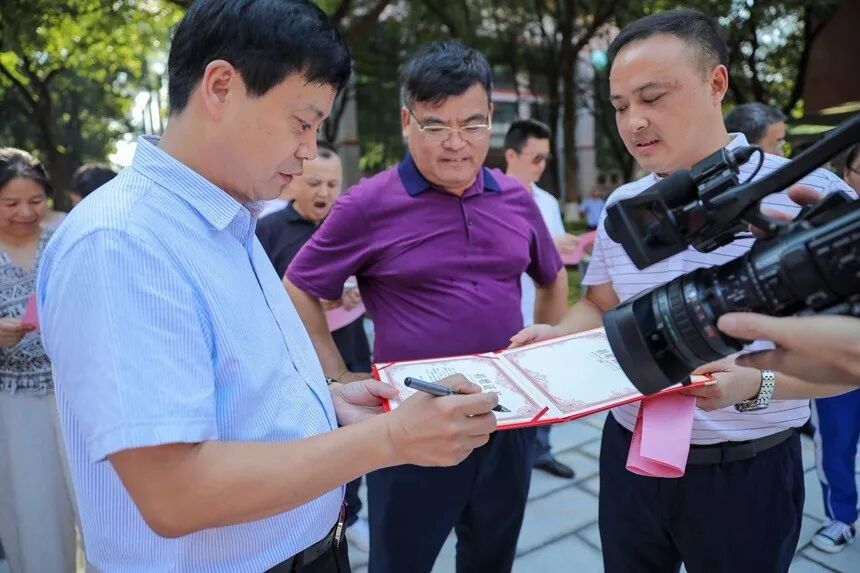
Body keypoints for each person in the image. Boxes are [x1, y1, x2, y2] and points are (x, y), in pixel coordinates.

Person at [36, 3, 498, 572]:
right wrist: (391, 440)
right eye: (303, 122)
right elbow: (175, 492)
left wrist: (322, 403)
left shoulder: (227, 216)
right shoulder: (122, 243)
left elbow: (234, 390)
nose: (309, 149)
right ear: (221, 87)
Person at [510, 9, 854, 572]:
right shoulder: (625, 206)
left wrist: (754, 384)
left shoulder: (810, 197)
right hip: (630, 454)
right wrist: (556, 335)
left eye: (652, 97)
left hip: (748, 473)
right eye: (621, 106)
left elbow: (851, 361)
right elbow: (599, 301)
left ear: (716, 83)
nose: (635, 122)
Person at [284, 40, 568, 573]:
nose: (457, 143)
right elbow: (297, 286)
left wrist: (542, 344)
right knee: (400, 562)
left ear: (491, 119)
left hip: (507, 420)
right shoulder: (368, 204)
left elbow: (552, 278)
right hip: (411, 428)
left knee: (492, 558)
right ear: (407, 122)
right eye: (436, 125)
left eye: (473, 124)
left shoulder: (516, 197)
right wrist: (337, 375)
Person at [256, 141, 372, 551]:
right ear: (294, 183)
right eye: (314, 183)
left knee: (355, 435)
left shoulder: (349, 226)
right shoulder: (267, 230)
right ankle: (308, 515)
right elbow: (255, 295)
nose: (324, 192)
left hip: (349, 347)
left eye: (332, 184)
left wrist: (357, 293)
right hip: (294, 358)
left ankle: (351, 513)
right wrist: (308, 300)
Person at [0, 148, 77, 573]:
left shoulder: (65, 241)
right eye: (11, 203)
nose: (26, 213)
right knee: (34, 512)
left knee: (102, 507)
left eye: (35, 200)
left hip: (76, 395)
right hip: (13, 405)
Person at [503, 118, 576, 480]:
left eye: (546, 159)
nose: (541, 166)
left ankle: (541, 449)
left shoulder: (546, 201)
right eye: (535, 158)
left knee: (545, 383)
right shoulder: (490, 199)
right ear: (511, 155)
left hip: (542, 313)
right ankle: (509, 458)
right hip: (506, 314)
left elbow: (555, 264)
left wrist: (568, 247)